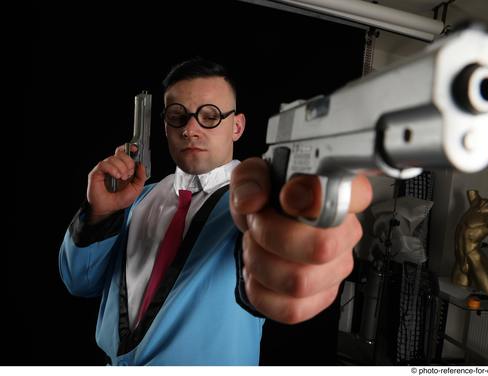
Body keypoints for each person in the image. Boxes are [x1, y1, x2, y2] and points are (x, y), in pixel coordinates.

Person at [59, 57, 372, 365]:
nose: (191, 130)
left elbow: (278, 262)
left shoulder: (255, 205)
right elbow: (80, 282)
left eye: (209, 116)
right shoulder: (138, 197)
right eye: (177, 115)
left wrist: (304, 240)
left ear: (236, 126)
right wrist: (100, 213)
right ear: (165, 125)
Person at [452, 189, 488, 295]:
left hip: (474, 258)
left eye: (487, 203)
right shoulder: (475, 206)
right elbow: (471, 192)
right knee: (456, 293)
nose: (484, 202)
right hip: (460, 258)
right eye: (482, 201)